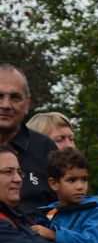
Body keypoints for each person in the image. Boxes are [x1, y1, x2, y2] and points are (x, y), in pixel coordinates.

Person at [0, 63, 57, 214]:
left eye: (15, 97)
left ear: (27, 104)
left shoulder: (46, 150)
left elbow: (71, 206)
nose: (6, 105)